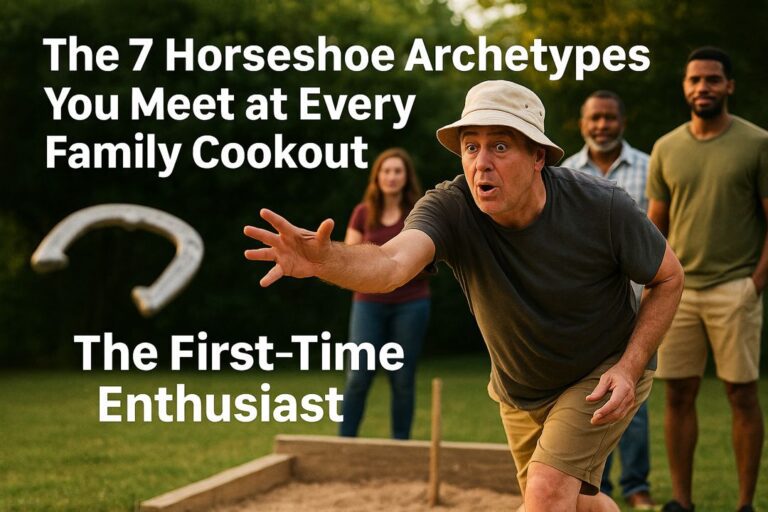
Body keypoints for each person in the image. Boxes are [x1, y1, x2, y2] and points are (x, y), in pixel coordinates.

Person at [244, 80, 684, 512]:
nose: (481, 163)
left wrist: (629, 367)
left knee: (546, 496)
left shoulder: (601, 206)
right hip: (520, 388)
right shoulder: (451, 206)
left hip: (600, 370)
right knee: (577, 503)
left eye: (500, 146)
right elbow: (391, 265)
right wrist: (325, 260)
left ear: (537, 157)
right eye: (471, 146)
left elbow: (668, 278)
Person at [647, 47, 767, 512]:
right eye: (695, 80)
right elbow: (656, 229)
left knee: (742, 394)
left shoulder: (757, 143)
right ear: (685, 86)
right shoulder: (667, 147)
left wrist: (755, 282)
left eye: (713, 79)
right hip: (679, 291)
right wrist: (650, 283)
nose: (703, 88)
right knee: (678, 392)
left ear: (729, 86)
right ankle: (682, 502)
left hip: (735, 287)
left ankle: (744, 505)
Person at [562, 90, 656, 510]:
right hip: (584, 307)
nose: (601, 125)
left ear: (622, 120)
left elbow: (659, 242)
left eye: (609, 118)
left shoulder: (649, 168)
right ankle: (594, 489)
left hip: (638, 302)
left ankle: (636, 484)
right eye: (594, 118)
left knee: (631, 391)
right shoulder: (564, 172)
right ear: (583, 123)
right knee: (589, 395)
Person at [339, 147, 430, 440]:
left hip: (411, 303)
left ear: (406, 177)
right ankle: (344, 442)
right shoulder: (362, 213)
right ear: (377, 177)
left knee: (402, 379)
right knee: (357, 376)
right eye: (386, 171)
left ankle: (400, 447)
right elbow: (348, 259)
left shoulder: (419, 211)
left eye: (397, 171)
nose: (391, 177)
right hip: (368, 304)